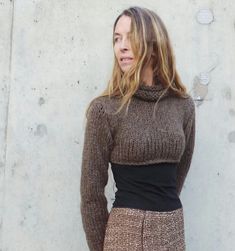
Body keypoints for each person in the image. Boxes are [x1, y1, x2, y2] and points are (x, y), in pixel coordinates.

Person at [80, 6, 196, 251]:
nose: (121, 46)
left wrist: (161, 220)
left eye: (129, 37)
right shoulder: (105, 110)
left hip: (172, 230)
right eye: (116, 38)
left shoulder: (182, 106)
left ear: (154, 46)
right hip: (125, 235)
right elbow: (91, 195)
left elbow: (178, 174)